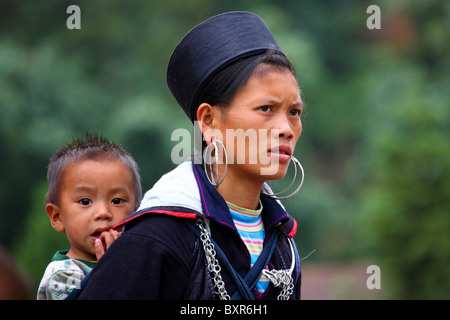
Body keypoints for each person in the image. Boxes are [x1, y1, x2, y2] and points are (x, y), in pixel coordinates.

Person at [76, 11, 304, 300]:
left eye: (294, 112)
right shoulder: (158, 235)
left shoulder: (284, 243)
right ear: (208, 121)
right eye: (266, 109)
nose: (286, 129)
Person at [37, 133, 142, 300]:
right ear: (57, 217)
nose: (103, 213)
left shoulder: (141, 262)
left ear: (137, 214)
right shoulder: (62, 275)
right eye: (85, 201)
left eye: (117, 200)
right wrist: (110, 268)